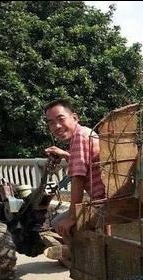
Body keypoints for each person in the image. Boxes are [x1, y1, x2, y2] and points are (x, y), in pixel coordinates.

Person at [42, 99, 109, 261]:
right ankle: (104, 244)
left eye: (61, 119)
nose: (57, 126)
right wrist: (66, 154)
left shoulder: (79, 138)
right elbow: (86, 160)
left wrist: (72, 218)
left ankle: (80, 256)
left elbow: (78, 179)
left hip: (101, 203)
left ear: (75, 117)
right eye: (51, 123)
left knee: (58, 222)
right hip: (108, 197)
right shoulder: (86, 132)